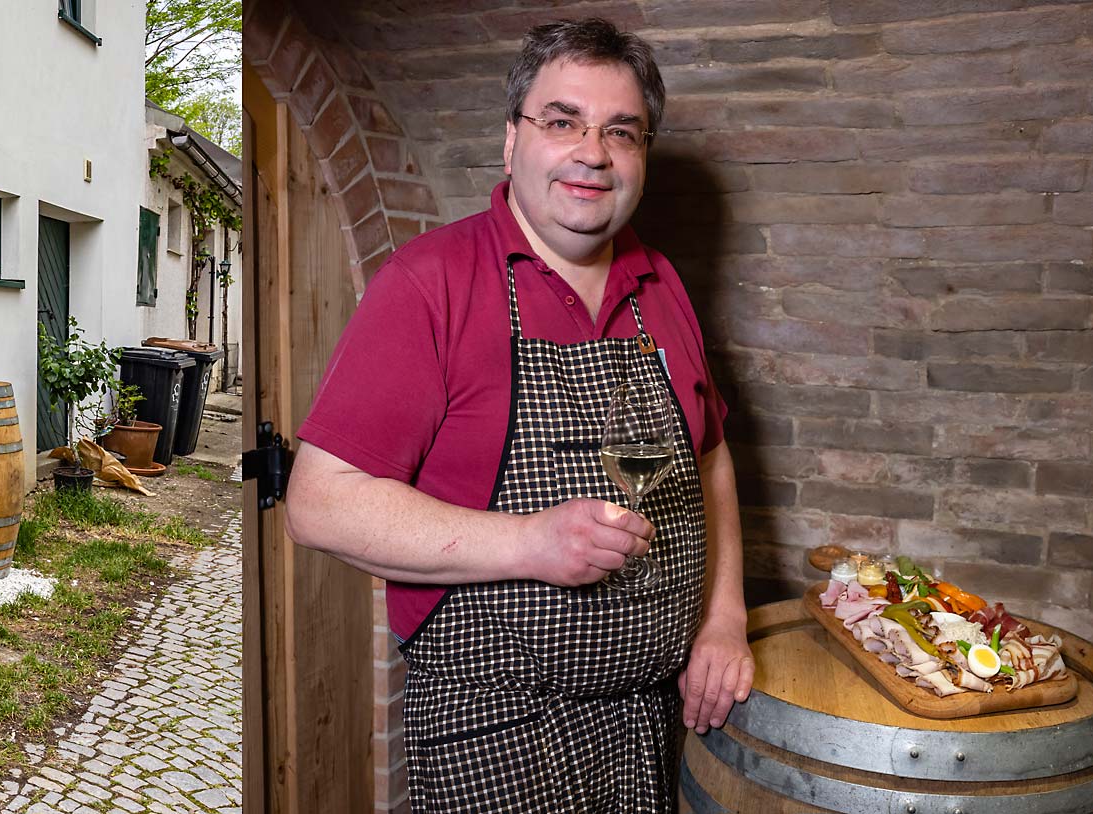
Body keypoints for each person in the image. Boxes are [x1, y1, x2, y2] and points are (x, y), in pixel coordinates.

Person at [283, 19, 753, 812]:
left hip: (650, 722)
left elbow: (711, 457)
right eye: (561, 121)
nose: (592, 153)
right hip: (493, 730)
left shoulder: (661, 283)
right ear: (512, 142)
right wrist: (531, 542)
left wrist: (723, 619)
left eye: (620, 132)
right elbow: (318, 503)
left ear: (642, 157)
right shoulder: (430, 283)